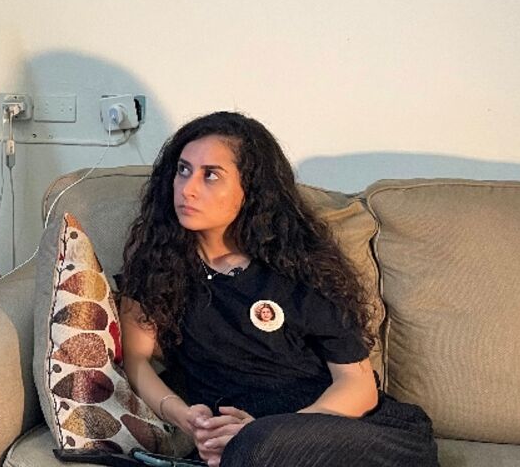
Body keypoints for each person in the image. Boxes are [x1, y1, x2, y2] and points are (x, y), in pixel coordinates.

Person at [118, 111, 438, 467]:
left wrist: (273, 433)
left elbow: (357, 387)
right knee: (242, 452)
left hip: (349, 433)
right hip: (240, 443)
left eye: (211, 175)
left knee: (256, 448)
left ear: (250, 189)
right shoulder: (156, 266)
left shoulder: (300, 265)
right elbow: (137, 361)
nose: (188, 188)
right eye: (183, 170)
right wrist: (191, 421)